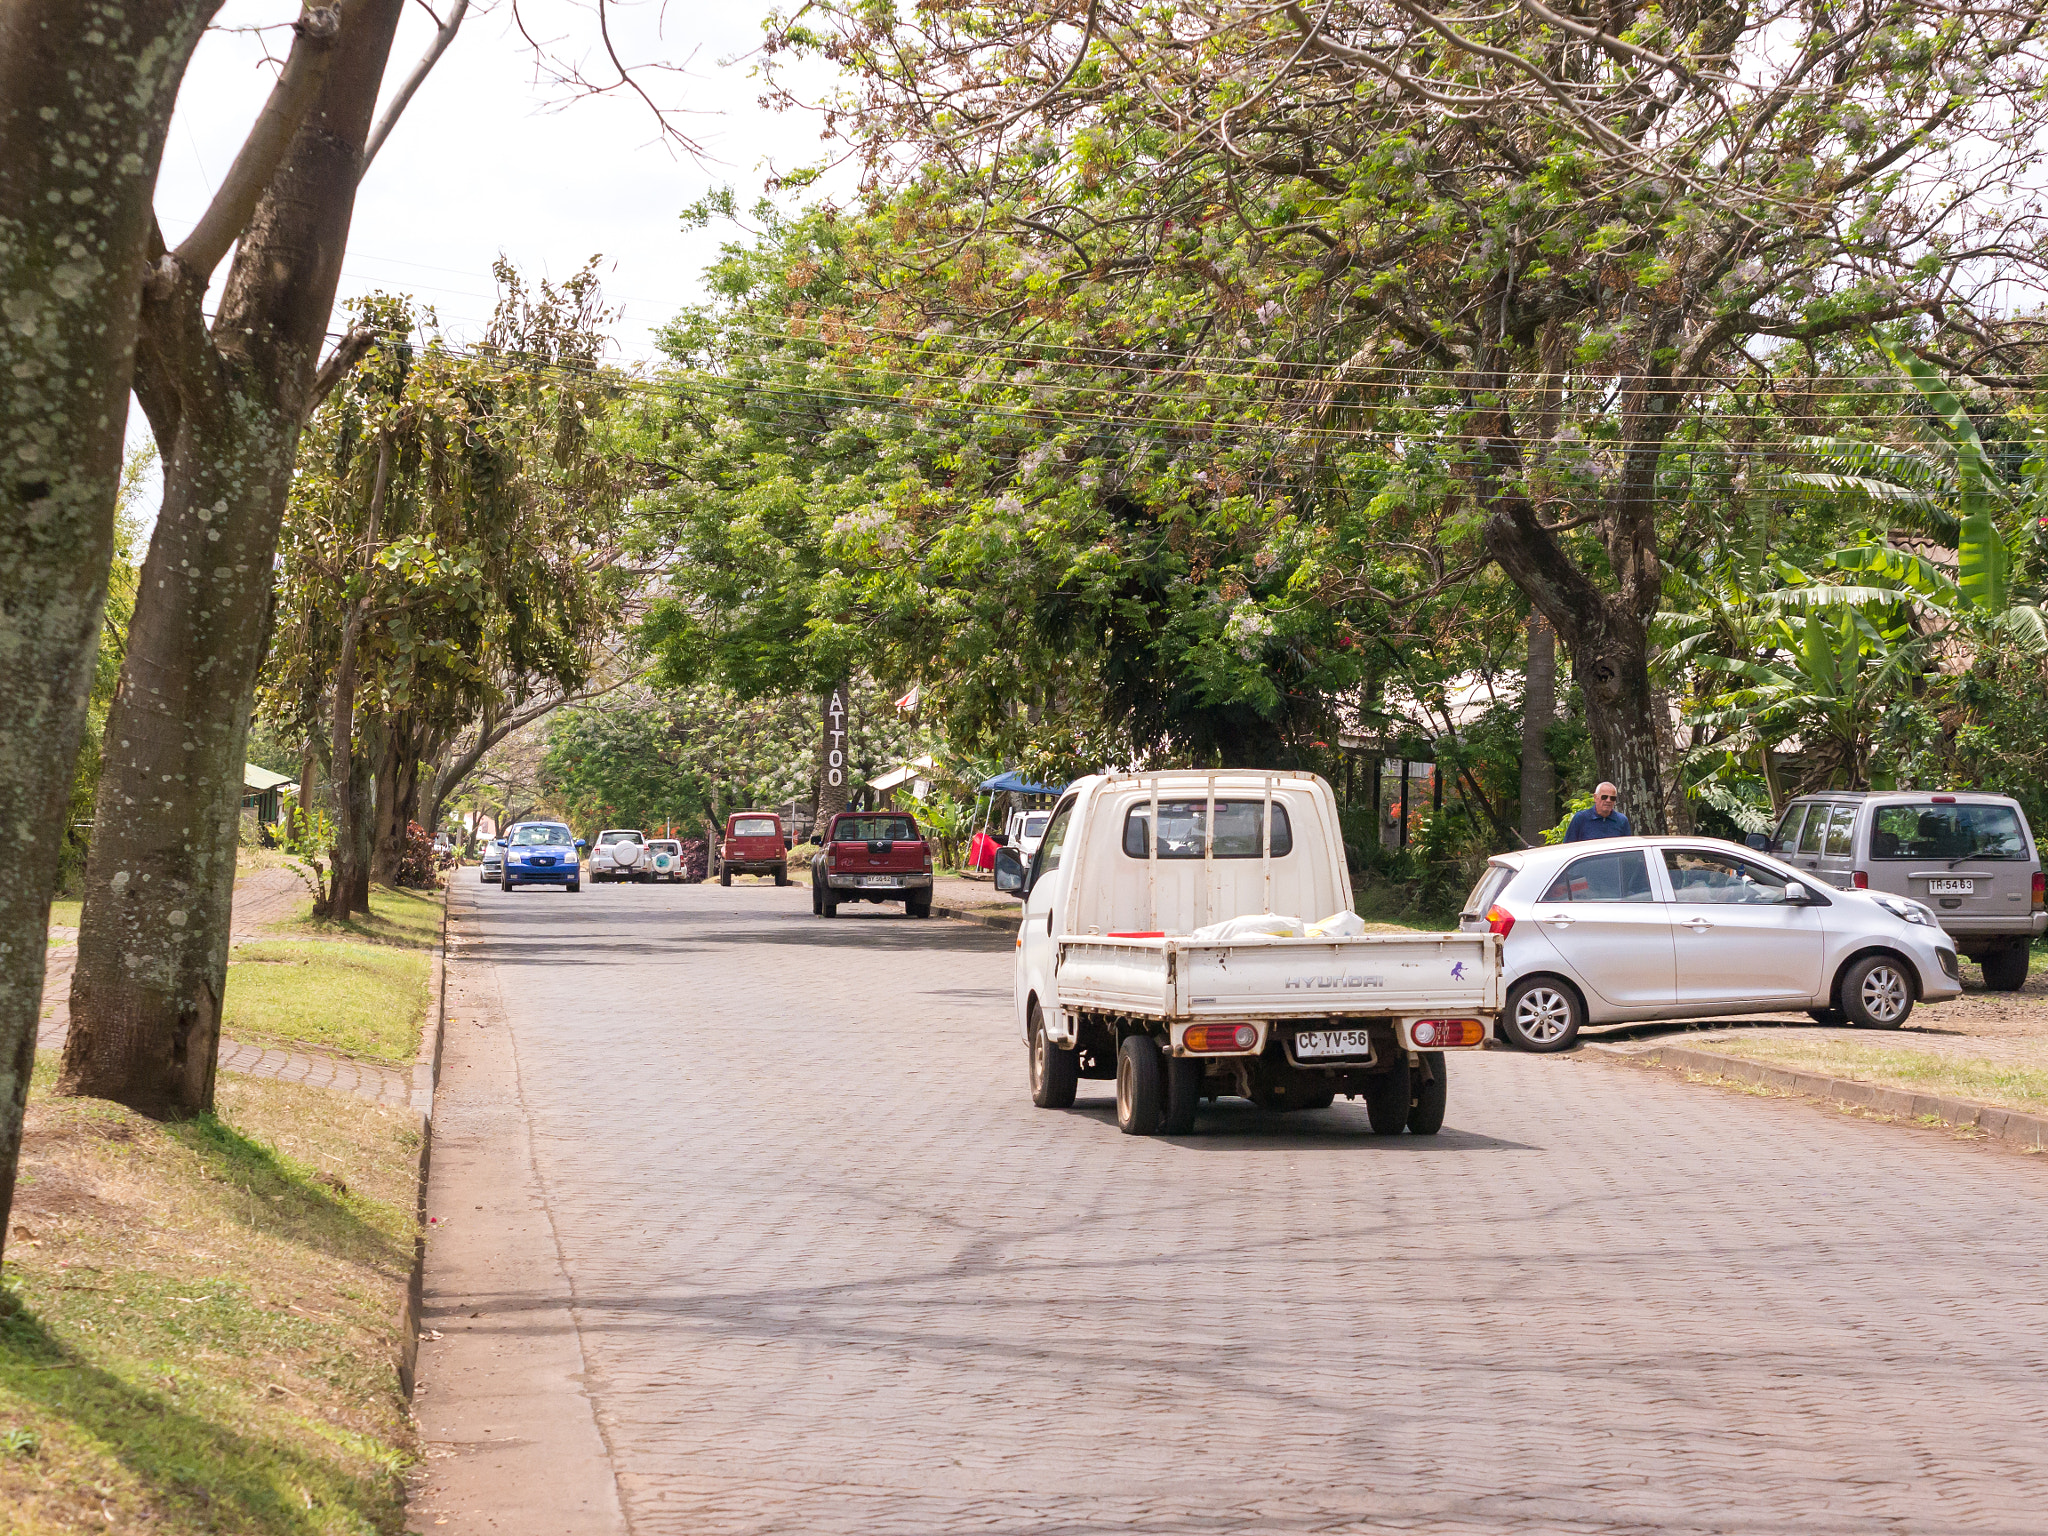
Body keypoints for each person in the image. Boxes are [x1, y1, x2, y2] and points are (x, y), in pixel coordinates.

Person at [1563, 782, 1633, 841]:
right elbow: (1568, 848)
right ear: (1595, 797)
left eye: (1612, 798)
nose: (1608, 800)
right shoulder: (1581, 819)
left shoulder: (1622, 820)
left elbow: (1627, 850)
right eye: (1604, 797)